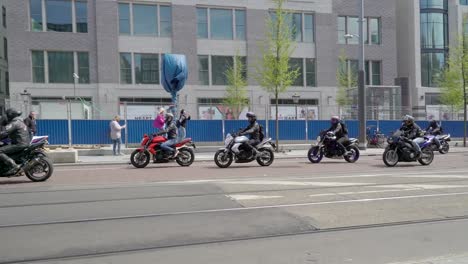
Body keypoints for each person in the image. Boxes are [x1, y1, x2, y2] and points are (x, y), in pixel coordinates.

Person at [0, 108, 30, 175]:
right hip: (24, 143)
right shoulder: (20, 122)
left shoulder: (14, 123)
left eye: (7, 115)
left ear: (10, 115)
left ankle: (14, 166)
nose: (6, 116)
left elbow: (5, 132)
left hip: (19, 144)